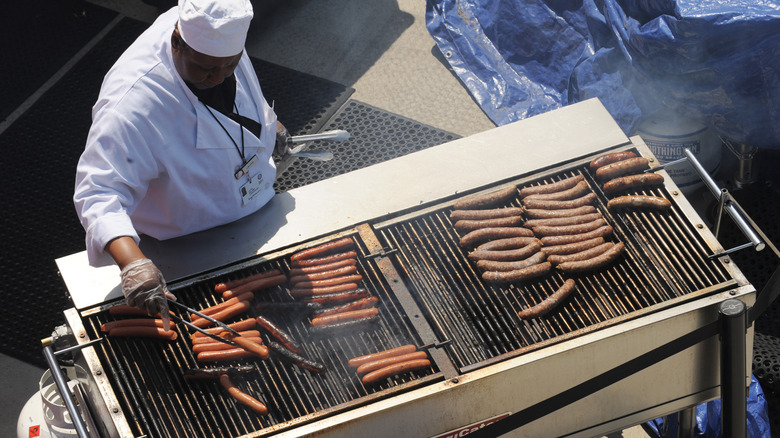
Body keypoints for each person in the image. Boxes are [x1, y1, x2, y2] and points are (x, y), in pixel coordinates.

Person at [73, 0, 291, 329]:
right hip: (183, 249)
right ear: (177, 42)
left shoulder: (217, 37)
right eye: (206, 70)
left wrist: (266, 125)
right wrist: (133, 264)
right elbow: (98, 192)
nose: (219, 78)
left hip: (256, 222)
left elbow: (236, 90)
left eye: (230, 64)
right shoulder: (133, 105)